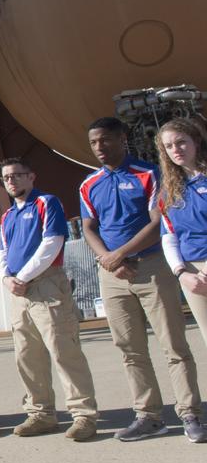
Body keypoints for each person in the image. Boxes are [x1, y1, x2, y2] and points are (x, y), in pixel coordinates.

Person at [81, 116, 202, 442]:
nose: (99, 147)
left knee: (173, 346)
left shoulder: (150, 175)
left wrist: (120, 254)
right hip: (113, 275)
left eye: (105, 140)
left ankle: (191, 413)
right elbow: (88, 227)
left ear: (123, 139)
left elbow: (157, 222)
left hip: (151, 268)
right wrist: (109, 259)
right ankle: (148, 415)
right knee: (130, 349)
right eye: (93, 143)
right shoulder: (89, 184)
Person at [0, 157, 98, 441]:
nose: (12, 181)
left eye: (17, 175)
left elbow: (52, 243)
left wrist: (24, 276)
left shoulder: (46, 203)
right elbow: (3, 251)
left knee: (63, 349)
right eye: (6, 177)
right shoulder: (7, 216)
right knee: (27, 355)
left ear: (31, 177)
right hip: (19, 291)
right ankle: (40, 413)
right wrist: (7, 278)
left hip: (46, 285)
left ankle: (83, 415)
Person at [152, 117, 207, 442]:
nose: (176, 150)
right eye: (169, 146)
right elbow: (169, 236)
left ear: (196, 141)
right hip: (192, 272)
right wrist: (183, 273)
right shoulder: (170, 191)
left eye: (181, 142)